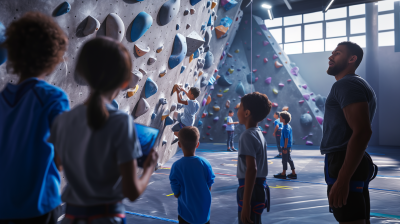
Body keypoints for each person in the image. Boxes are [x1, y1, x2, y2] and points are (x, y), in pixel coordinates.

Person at [48, 37, 158, 224]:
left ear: (82, 72)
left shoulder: (62, 120)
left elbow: (57, 165)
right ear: (125, 82)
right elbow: (132, 192)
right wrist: (148, 168)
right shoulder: (121, 122)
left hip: (70, 218)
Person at [0, 12, 69, 224]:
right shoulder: (53, 97)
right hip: (39, 204)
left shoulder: (2, 99)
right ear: (53, 58)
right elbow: (62, 156)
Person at [322, 41, 377, 224]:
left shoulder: (345, 85)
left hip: (343, 160)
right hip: (351, 160)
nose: (331, 56)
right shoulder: (357, 84)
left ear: (352, 59)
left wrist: (343, 179)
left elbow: (362, 132)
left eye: (337, 53)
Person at [236, 92, 272, 224]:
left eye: (240, 107)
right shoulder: (259, 134)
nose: (237, 110)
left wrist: (246, 204)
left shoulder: (247, 135)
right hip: (258, 189)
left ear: (246, 113)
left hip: (250, 189)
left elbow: (251, 169)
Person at [169, 126, 215, 224]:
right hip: (204, 215)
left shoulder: (177, 166)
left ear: (179, 144)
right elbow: (210, 184)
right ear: (197, 144)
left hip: (185, 215)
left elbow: (175, 186)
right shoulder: (205, 163)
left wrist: (177, 194)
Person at [273, 111, 297, 179]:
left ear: (283, 119)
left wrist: (285, 148)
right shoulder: (287, 126)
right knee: (289, 159)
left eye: (280, 117)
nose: (279, 118)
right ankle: (293, 173)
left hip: (285, 147)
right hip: (287, 146)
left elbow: (286, 138)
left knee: (284, 160)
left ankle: (283, 173)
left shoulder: (286, 128)